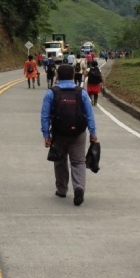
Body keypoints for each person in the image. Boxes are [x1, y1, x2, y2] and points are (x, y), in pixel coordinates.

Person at [41, 64, 97, 206]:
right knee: (78, 161)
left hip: (58, 133)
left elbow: (45, 116)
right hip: (78, 133)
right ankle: (79, 188)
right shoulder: (81, 93)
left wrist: (46, 135)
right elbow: (89, 115)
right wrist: (93, 133)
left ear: (57, 76)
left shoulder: (51, 93)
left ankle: (62, 189)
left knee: (60, 161)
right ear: (73, 75)